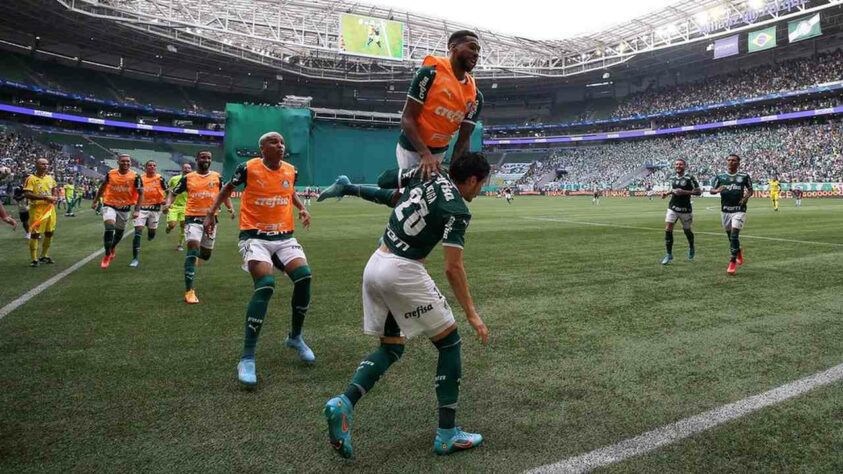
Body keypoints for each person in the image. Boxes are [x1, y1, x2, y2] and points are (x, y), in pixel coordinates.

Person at [323, 152, 491, 459]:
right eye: (480, 185)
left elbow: (387, 186)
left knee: (391, 347)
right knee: (450, 343)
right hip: (402, 271)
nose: (479, 191)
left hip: (376, 263)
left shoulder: (428, 176)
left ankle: (343, 404)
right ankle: (447, 434)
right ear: (471, 180)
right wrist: (472, 313)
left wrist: (351, 188)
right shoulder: (457, 209)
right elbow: (453, 268)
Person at [205, 132, 315, 386]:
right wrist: (211, 213)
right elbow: (227, 189)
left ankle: (295, 337)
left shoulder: (290, 170)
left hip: (284, 236)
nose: (280, 145)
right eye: (274, 142)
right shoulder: (248, 168)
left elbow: (288, 192)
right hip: (254, 237)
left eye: (282, 142)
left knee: (305, 277)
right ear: (262, 148)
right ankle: (247, 357)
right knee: (266, 284)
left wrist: (302, 208)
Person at [319, 30, 483, 200]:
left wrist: (457, 176)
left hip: (439, 152)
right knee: (415, 201)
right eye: (472, 47)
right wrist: (425, 154)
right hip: (413, 147)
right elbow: (407, 119)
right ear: (453, 48)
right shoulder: (429, 74)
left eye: (478, 50)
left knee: (405, 199)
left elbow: (463, 140)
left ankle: (346, 187)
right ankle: (349, 187)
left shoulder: (476, 96)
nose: (476, 53)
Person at [164, 151, 234, 304]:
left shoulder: (217, 177)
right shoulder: (188, 178)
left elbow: (224, 194)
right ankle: (189, 291)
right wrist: (168, 203)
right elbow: (173, 192)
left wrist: (230, 208)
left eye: (209, 157)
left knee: (206, 255)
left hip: (211, 220)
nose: (206, 160)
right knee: (192, 248)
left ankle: (196, 257)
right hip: (192, 219)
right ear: (197, 159)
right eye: (203, 157)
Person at [92, 154, 143, 269]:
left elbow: (141, 194)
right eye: (123, 161)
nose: (126, 163)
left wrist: (137, 210)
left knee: (119, 233)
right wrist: (95, 201)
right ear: (118, 162)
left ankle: (112, 247)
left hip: (125, 208)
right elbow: (102, 187)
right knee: (109, 227)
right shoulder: (111, 174)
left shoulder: (136, 176)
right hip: (109, 204)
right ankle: (107, 255)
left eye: (128, 161)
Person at [709, 154, 753, 275]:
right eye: (728, 160)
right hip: (725, 210)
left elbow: (750, 190)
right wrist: (717, 190)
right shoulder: (720, 176)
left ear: (738, 163)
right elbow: (711, 190)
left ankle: (732, 261)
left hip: (739, 209)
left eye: (733, 160)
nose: (730, 162)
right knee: (730, 237)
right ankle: (738, 250)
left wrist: (745, 197)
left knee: (734, 236)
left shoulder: (744, 176)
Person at [661, 159, 701, 265]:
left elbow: (698, 191)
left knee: (687, 230)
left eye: (680, 164)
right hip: (673, 207)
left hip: (685, 209)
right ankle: (669, 254)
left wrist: (684, 192)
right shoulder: (673, 177)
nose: (678, 166)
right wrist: (667, 193)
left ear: (685, 166)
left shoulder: (690, 178)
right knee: (668, 228)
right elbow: (674, 189)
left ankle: (691, 247)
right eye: (677, 164)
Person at [129, 161, 169, 268]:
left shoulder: (160, 178)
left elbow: (168, 191)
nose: (152, 167)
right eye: (150, 165)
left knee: (152, 232)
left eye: (154, 165)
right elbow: (134, 191)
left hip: (155, 209)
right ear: (145, 167)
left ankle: (150, 232)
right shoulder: (140, 178)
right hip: (142, 208)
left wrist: (166, 201)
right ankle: (135, 258)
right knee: (138, 231)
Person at [23, 158, 58, 267]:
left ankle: (44, 255)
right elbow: (27, 194)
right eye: (43, 164)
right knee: (35, 234)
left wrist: (54, 197)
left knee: (50, 232)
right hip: (37, 210)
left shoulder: (50, 178)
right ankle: (34, 259)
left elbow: (54, 188)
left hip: (49, 209)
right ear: (36, 165)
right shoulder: (31, 178)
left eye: (47, 164)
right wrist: (44, 197)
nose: (45, 166)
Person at [165, 163, 193, 251]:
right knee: (172, 225)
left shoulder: (193, 180)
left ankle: (180, 244)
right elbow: (168, 190)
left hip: (186, 207)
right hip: (174, 206)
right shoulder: (174, 179)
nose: (187, 169)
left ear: (191, 170)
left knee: (183, 226)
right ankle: (169, 227)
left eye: (189, 168)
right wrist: (167, 202)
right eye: (185, 167)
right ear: (182, 169)